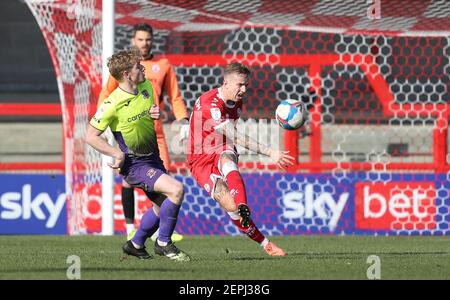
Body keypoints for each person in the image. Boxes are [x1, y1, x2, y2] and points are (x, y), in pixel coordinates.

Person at [87, 48, 190, 262]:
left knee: (161, 206)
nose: (143, 68)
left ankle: (135, 244)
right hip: (134, 164)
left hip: (153, 157)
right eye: (137, 66)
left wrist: (156, 113)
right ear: (126, 74)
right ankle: (163, 243)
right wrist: (116, 153)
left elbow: (150, 113)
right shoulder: (112, 103)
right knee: (177, 190)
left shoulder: (146, 86)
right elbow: (90, 136)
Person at [187, 62, 295, 256]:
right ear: (226, 83)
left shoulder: (236, 102)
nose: (244, 90)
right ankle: (264, 242)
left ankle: (243, 205)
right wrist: (271, 152)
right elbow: (234, 135)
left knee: (227, 159)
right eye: (240, 85)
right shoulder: (209, 104)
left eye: (246, 85)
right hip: (200, 160)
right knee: (230, 206)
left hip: (220, 146)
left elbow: (230, 137)